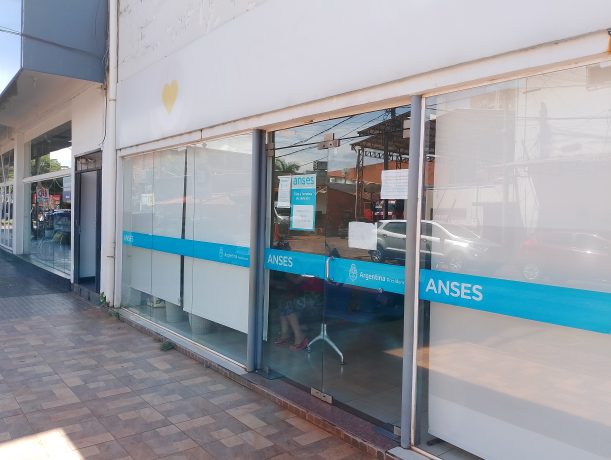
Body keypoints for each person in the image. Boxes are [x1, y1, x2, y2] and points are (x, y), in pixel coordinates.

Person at [274, 274, 323, 350]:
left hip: (317, 299)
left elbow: (297, 280)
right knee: (283, 302)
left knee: (288, 304)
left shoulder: (313, 270)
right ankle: (285, 334)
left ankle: (299, 336)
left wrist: (287, 274)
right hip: (306, 295)